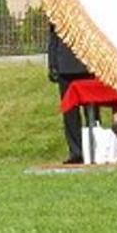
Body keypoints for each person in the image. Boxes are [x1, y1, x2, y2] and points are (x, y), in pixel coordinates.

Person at [48, 23, 92, 164]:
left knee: (91, 112)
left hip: (86, 63)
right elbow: (53, 36)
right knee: (70, 112)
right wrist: (52, 63)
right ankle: (77, 152)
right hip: (65, 65)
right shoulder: (59, 8)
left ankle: (93, 148)